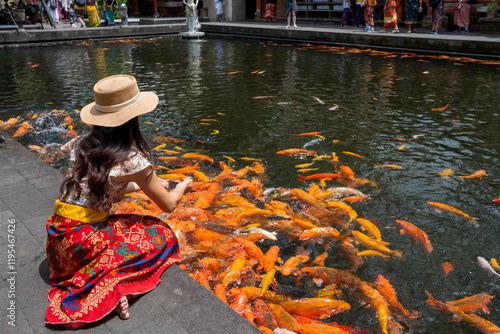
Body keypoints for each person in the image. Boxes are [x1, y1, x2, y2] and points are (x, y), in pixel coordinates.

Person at [45, 74, 193, 328]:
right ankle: (113, 284)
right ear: (133, 118)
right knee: (161, 233)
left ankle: (106, 278)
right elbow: (168, 205)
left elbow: (99, 186)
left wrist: (137, 187)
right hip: (86, 241)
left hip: (59, 245)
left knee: (129, 223)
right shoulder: (132, 159)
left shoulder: (80, 144)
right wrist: (184, 185)